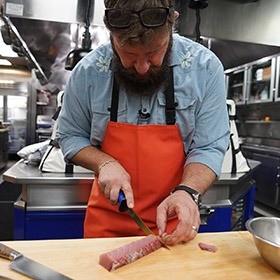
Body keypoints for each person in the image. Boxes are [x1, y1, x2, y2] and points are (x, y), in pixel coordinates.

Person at [57, 0, 230, 246]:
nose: (141, 68)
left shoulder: (205, 69)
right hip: (106, 225)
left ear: (173, 23)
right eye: (128, 54)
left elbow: (209, 147)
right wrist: (104, 163)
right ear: (111, 34)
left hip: (172, 222)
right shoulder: (88, 72)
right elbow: (70, 135)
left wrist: (187, 192)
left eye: (154, 52)